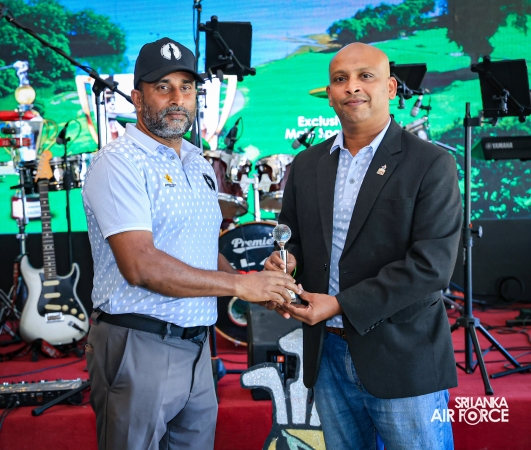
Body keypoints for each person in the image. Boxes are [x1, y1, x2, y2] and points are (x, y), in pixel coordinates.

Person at [82, 37, 299, 450]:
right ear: (137, 96)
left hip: (198, 346)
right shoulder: (118, 162)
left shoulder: (197, 162)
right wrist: (240, 286)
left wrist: (259, 287)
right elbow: (141, 265)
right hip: (139, 343)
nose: (177, 98)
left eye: (186, 87)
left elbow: (199, 252)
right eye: (163, 87)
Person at [264, 42, 462, 450]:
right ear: (329, 94)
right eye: (340, 79)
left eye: (365, 76)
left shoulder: (430, 163)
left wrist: (338, 304)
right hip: (327, 353)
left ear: (390, 87)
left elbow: (431, 267)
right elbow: (294, 237)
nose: (352, 87)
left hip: (403, 356)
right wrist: (286, 264)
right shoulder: (307, 164)